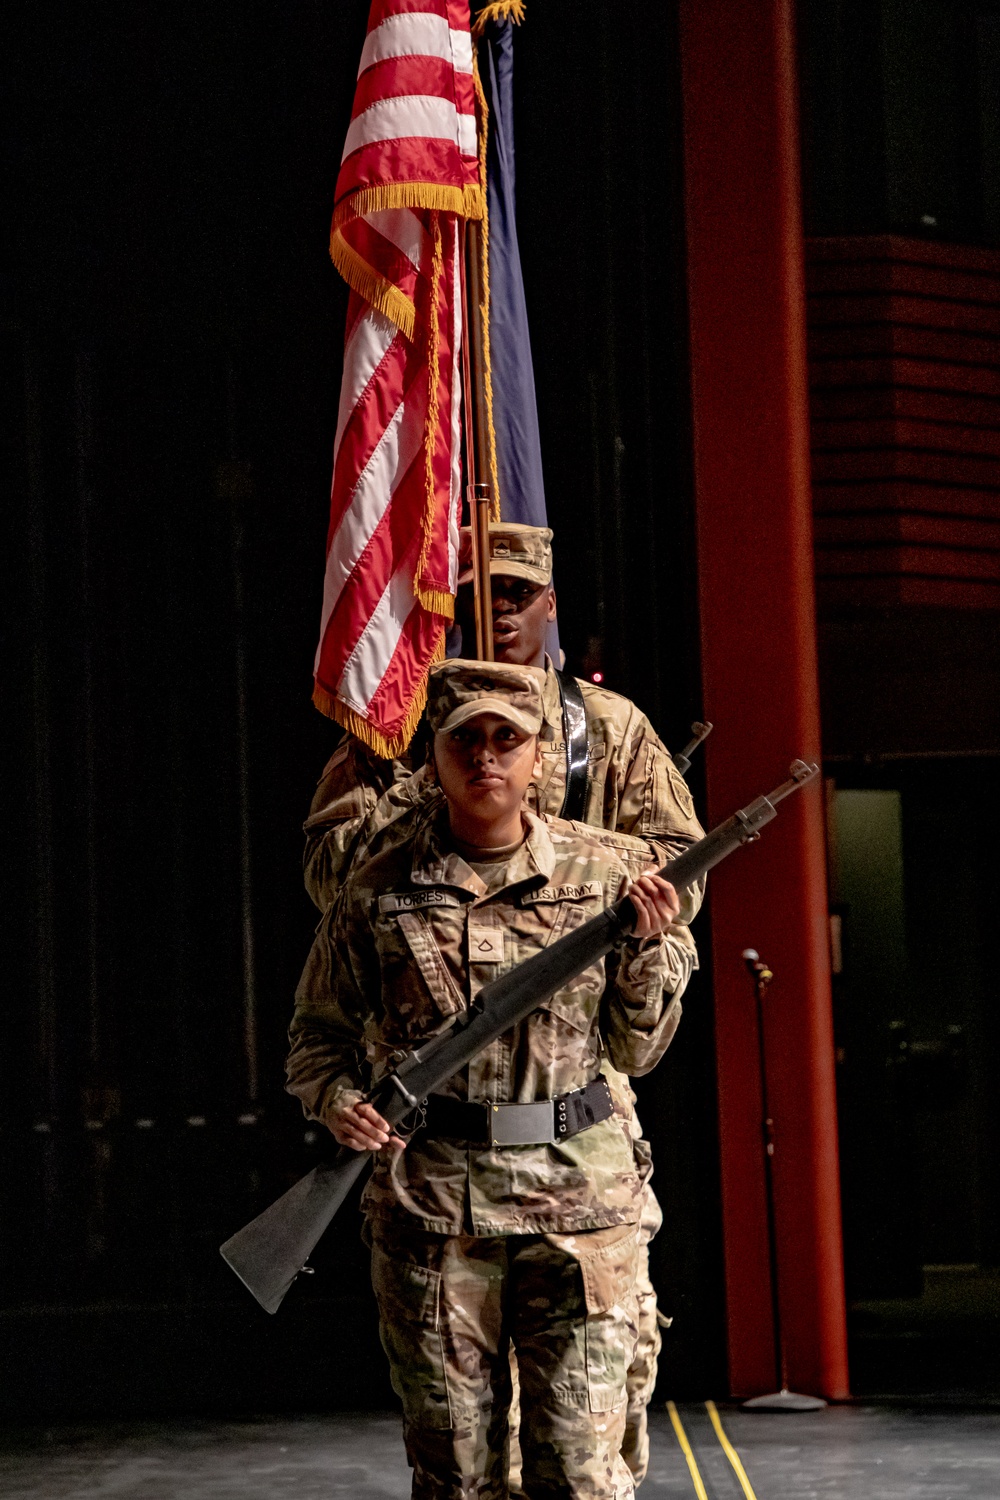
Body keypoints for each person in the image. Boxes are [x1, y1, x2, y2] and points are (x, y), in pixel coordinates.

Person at [300, 524, 705, 1484]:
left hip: (573, 1094)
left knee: (582, 1453)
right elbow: (328, 892)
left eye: (517, 593)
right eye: (477, 595)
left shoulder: (608, 732)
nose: (500, 612)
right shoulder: (390, 743)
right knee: (459, 1465)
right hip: (440, 1156)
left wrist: (610, 914)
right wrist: (410, 812)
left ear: (548, 602)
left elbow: (675, 879)